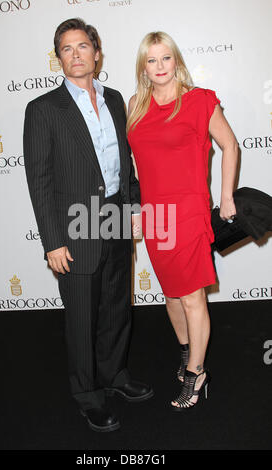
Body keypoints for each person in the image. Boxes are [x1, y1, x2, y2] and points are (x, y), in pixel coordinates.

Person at [23, 18, 153, 432]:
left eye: (83, 46)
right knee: (81, 315)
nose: (76, 55)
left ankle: (115, 377)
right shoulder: (43, 109)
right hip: (74, 225)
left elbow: (125, 164)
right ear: (57, 57)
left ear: (97, 53)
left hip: (115, 214)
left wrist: (132, 208)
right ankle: (87, 394)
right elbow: (39, 181)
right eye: (67, 48)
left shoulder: (116, 99)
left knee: (117, 306)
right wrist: (53, 241)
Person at [128, 32, 238, 410]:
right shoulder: (136, 106)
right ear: (143, 66)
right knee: (171, 295)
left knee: (191, 297)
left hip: (188, 212)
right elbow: (136, 167)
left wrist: (225, 197)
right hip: (156, 214)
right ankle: (187, 351)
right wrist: (137, 209)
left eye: (165, 58)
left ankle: (197, 373)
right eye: (151, 60)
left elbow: (230, 145)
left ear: (176, 61)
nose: (159, 67)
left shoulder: (199, 100)